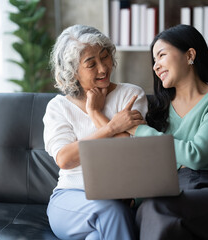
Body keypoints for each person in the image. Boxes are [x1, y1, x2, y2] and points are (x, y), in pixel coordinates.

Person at [105, 24, 208, 239]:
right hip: (175, 195)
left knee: (155, 209)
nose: (156, 66)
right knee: (148, 209)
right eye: (154, 61)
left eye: (161, 55)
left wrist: (140, 130)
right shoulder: (160, 111)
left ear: (190, 55)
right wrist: (134, 198)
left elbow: (197, 155)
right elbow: (160, 169)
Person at [43, 24, 148, 240]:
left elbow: (128, 153)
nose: (103, 68)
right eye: (91, 64)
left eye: (105, 56)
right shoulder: (58, 107)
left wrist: (94, 112)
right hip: (70, 200)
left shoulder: (131, 95)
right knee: (112, 212)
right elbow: (65, 159)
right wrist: (111, 127)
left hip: (114, 200)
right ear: (73, 72)